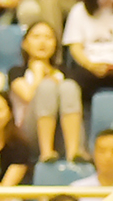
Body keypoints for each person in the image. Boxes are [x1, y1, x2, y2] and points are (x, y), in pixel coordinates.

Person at [9, 19, 82, 162]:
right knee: (47, 87)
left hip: (62, 134)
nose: (42, 42)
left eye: (48, 38)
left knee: (68, 86)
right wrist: (38, 74)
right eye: (36, 37)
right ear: (25, 44)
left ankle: (73, 152)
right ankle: (46, 152)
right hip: (30, 133)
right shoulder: (17, 72)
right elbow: (29, 96)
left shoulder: (65, 73)